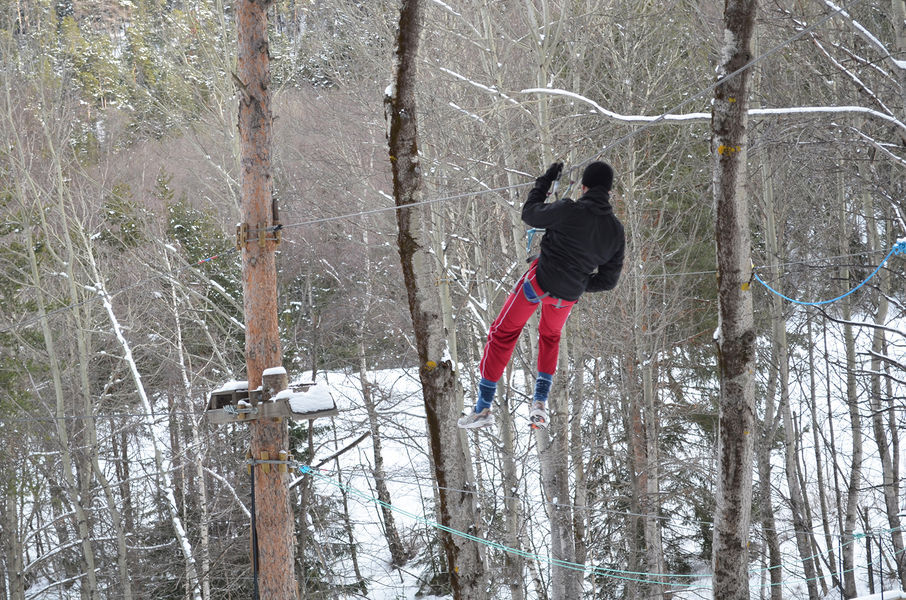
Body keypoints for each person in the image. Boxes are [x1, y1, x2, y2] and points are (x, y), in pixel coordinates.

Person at [457, 160, 625, 430]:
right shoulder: (616, 231)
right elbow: (608, 280)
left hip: (539, 284)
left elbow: (530, 214)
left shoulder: (570, 209)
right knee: (550, 336)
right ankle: (539, 403)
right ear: (609, 191)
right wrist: (579, 281)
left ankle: (483, 407)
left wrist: (544, 182)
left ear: (583, 187)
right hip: (567, 296)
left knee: (503, 333)